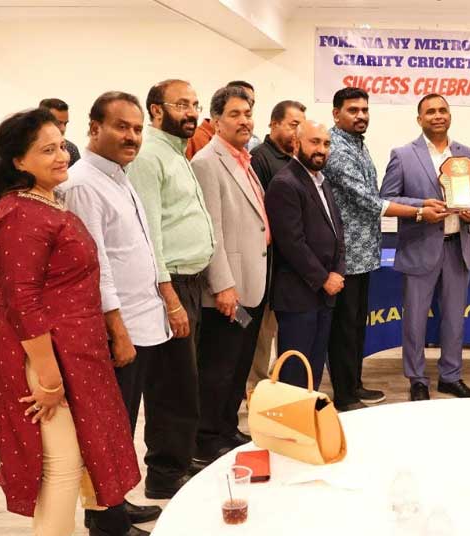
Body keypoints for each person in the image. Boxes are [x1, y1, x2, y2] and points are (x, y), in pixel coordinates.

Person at [0, 108, 140, 535]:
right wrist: (49, 378)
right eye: (46, 150)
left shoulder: (44, 200)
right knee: (61, 465)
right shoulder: (19, 213)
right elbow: (22, 302)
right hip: (40, 355)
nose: (62, 156)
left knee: (75, 461)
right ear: (19, 161)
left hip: (70, 351)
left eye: (61, 146)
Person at [58, 92, 167, 533]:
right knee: (106, 428)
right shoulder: (84, 184)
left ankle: (114, 501)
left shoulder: (118, 176)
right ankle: (106, 519)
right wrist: (117, 330)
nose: (132, 136)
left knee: (121, 425)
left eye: (137, 129)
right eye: (122, 127)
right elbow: (95, 266)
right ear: (94, 128)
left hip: (139, 320)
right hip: (114, 328)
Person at [324, 87, 448, 411]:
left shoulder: (357, 144)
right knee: (344, 329)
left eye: (364, 110)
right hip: (344, 254)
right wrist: (419, 211)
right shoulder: (336, 148)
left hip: (363, 253)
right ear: (336, 114)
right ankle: (345, 396)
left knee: (355, 326)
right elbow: (368, 200)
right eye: (353, 110)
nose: (361, 116)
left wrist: (421, 203)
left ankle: (354, 385)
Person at [128, 78, 215, 499]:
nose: (192, 112)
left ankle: (176, 463)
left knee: (185, 384)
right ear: (156, 110)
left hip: (190, 283)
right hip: (171, 286)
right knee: (170, 387)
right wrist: (170, 298)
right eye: (182, 104)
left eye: (195, 104)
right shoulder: (149, 157)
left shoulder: (177, 152)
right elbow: (151, 235)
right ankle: (164, 476)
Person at [379, 93, 470, 401]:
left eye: (442, 110)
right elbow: (386, 199)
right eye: (430, 112)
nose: (437, 116)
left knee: (454, 318)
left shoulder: (466, 153)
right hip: (419, 247)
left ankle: (451, 376)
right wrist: (421, 207)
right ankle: (417, 379)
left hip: (457, 248)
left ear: (450, 115)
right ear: (419, 119)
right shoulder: (403, 155)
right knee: (415, 320)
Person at [190, 86, 270, 469]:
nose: (244, 121)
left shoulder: (242, 158)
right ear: (216, 120)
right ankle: (206, 439)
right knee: (217, 369)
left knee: (237, 367)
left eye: (248, 114)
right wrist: (222, 285)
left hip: (251, 282)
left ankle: (226, 428)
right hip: (228, 288)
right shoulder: (208, 162)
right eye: (235, 114)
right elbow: (213, 233)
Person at [266, 120, 345, 388]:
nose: (321, 149)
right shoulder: (285, 183)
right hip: (298, 296)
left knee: (313, 371)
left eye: (326, 143)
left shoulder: (322, 182)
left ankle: (307, 412)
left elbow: (337, 231)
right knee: (295, 374)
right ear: (296, 143)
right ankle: (292, 416)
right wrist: (323, 278)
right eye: (314, 142)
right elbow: (292, 243)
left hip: (324, 295)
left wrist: (338, 271)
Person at [246, 100, 306, 391]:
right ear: (273, 124)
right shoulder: (260, 158)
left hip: (289, 266)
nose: (297, 132)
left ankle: (276, 385)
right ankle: (255, 390)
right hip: (267, 265)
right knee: (261, 334)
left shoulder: (295, 160)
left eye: (301, 126)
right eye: (293, 125)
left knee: (281, 332)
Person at [0, 98, 81, 171]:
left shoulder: (71, 149)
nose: (63, 128)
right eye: (57, 123)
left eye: (65, 123)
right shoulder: (11, 143)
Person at [186, 81, 260, 159]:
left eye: (251, 103)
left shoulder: (247, 141)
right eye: (234, 115)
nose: (244, 121)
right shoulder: (194, 139)